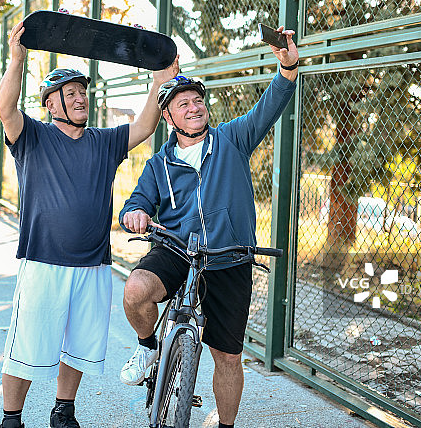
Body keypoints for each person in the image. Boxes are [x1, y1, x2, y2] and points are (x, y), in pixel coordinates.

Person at [0, 21, 179, 428]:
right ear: (51, 103)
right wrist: (17, 58)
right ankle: (11, 418)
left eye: (83, 92)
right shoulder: (33, 137)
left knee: (77, 347)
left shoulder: (103, 141)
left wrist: (157, 77)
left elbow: (146, 126)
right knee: (26, 346)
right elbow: (5, 108)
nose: (81, 98)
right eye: (71, 93)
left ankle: (63, 411)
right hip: (43, 262)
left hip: (93, 266)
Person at [118, 27, 299, 428]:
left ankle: (225, 426)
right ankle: (148, 348)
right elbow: (136, 203)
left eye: (198, 101)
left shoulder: (232, 140)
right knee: (135, 292)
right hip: (178, 249)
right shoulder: (159, 165)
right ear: (168, 117)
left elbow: (269, 106)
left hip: (227, 256)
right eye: (182, 104)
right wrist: (133, 214)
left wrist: (286, 68)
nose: (194, 107)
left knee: (228, 357)